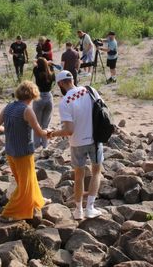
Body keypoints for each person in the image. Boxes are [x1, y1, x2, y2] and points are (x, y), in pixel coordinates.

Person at [0, 81, 53, 220]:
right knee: (25, 185)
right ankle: (8, 212)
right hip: (23, 152)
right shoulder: (27, 110)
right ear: (33, 95)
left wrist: (9, 131)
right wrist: (49, 132)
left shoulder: (8, 107)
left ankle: (38, 201)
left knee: (27, 180)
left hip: (10, 151)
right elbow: (39, 132)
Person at [53, 70, 104, 220]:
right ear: (72, 79)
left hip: (76, 143)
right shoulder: (90, 90)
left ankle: (78, 211)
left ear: (60, 84)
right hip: (95, 139)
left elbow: (69, 130)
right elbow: (102, 111)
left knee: (79, 176)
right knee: (96, 172)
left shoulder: (64, 102)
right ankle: (90, 207)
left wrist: (53, 133)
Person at [32, 58, 55, 149]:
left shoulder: (37, 71)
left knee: (37, 123)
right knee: (46, 124)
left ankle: (37, 144)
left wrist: (39, 62)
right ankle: (45, 145)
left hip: (39, 97)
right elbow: (51, 69)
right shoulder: (51, 73)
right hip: (49, 97)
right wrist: (48, 63)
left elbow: (34, 64)